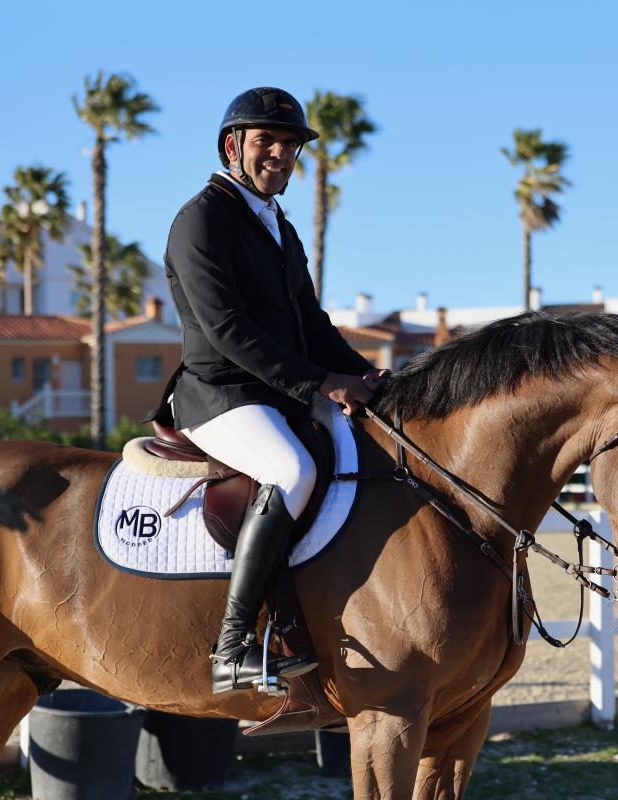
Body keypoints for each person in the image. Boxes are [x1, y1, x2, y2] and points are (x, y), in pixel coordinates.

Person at [150, 87, 385, 694]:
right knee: (291, 471)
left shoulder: (279, 226)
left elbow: (313, 326)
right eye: (266, 141)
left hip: (277, 394)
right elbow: (226, 331)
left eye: (289, 144)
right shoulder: (202, 219)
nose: (280, 153)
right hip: (219, 393)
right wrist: (321, 382)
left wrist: (369, 378)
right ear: (233, 147)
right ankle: (232, 649)